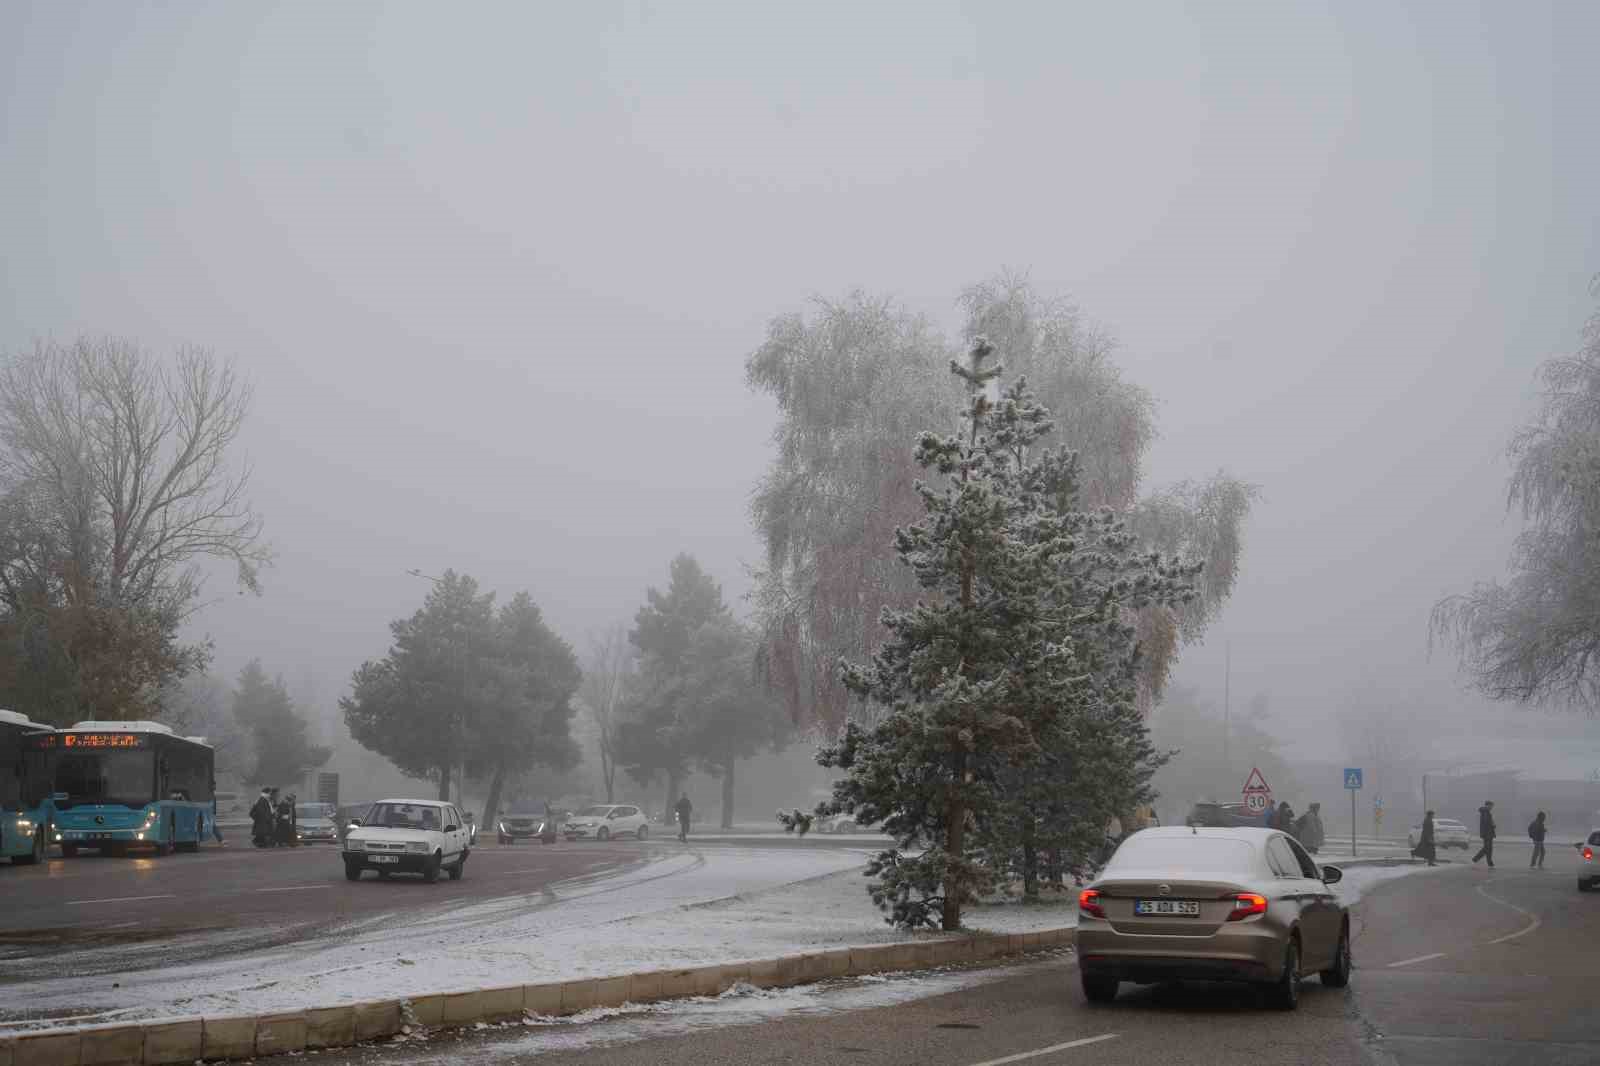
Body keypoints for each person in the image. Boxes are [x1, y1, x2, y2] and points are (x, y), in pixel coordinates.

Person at [1472, 800, 1497, 867]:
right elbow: (1487, 822)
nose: (1492, 807)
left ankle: (1489, 862)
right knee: (1487, 848)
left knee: (1488, 848)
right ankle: (1475, 859)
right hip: (1487, 833)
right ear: (1488, 805)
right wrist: (1493, 825)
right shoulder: (1486, 812)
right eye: (1491, 806)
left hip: (1486, 833)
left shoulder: (1485, 812)